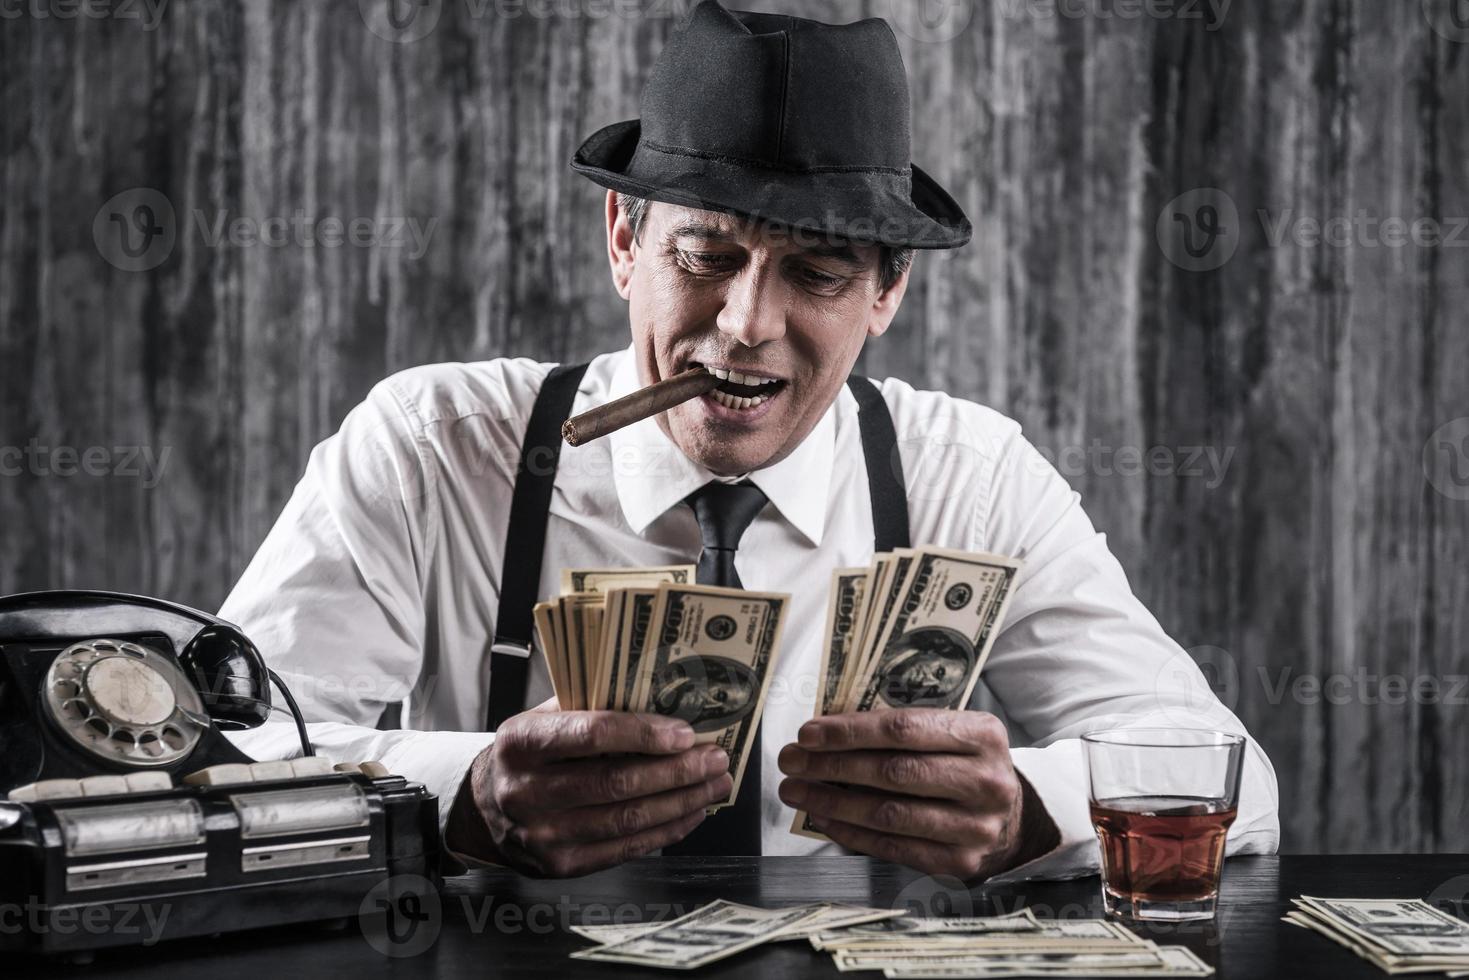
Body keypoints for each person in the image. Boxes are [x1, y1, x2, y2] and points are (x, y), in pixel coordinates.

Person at [221, 0, 1279, 881]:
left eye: (816, 272)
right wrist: (459, 798)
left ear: (886, 292)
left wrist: (1029, 812)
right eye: (706, 255)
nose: (745, 322)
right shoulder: (432, 448)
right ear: (623, 239)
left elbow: (1233, 777)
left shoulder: (973, 475)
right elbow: (220, 756)